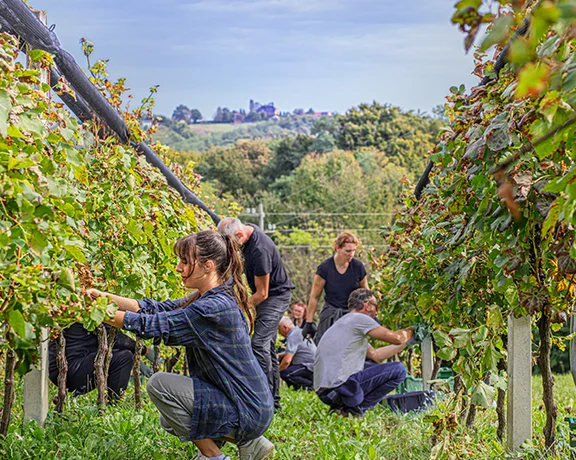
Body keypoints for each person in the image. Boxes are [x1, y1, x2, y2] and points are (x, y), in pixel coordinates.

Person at [87, 231, 274, 460]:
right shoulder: (209, 297)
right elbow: (156, 309)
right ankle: (251, 443)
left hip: (247, 407)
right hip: (248, 401)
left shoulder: (212, 308)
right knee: (170, 419)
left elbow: (153, 325)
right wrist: (104, 298)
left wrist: (95, 313)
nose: (178, 267)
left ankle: (213, 456)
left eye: (185, 262)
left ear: (208, 266)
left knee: (159, 385)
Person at [217, 217, 294, 411]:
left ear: (240, 235)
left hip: (275, 297)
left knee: (258, 344)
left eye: (231, 242)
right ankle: (274, 402)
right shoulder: (246, 232)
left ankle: (263, 399)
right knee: (266, 347)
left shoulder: (259, 250)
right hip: (267, 296)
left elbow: (262, 294)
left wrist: (236, 306)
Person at [314, 288, 413, 417]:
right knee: (399, 370)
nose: (377, 312)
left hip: (326, 392)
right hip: (338, 389)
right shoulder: (359, 319)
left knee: (374, 366)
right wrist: (411, 331)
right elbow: (397, 338)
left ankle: (345, 408)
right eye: (376, 306)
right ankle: (355, 411)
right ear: (367, 306)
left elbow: (376, 356)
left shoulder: (346, 324)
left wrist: (408, 342)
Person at [302, 232, 369, 344]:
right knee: (325, 346)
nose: (351, 254)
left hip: (352, 314)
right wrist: (309, 322)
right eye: (348, 251)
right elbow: (314, 297)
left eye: (353, 250)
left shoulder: (358, 267)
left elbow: (367, 293)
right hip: (331, 313)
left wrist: (371, 313)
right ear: (337, 248)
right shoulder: (325, 268)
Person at [48, 323, 142, 402]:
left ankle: (76, 392)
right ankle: (113, 402)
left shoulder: (77, 306)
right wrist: (145, 351)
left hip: (57, 368)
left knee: (113, 353)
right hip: (70, 369)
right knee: (124, 357)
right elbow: (114, 338)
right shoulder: (92, 308)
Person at [277, 317, 316, 390]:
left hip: (309, 365)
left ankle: (311, 387)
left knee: (286, 373)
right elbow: (296, 351)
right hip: (313, 364)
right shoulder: (299, 331)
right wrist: (279, 356)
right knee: (289, 369)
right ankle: (299, 388)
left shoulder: (293, 336)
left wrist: (277, 372)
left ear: (285, 328)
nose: (279, 333)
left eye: (279, 329)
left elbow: (286, 361)